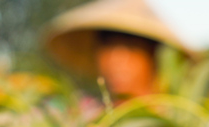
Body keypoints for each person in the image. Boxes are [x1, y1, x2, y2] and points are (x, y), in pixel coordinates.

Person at [43, 0, 192, 100]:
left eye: (129, 47)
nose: (115, 60)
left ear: (156, 54)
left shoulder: (185, 124)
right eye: (107, 47)